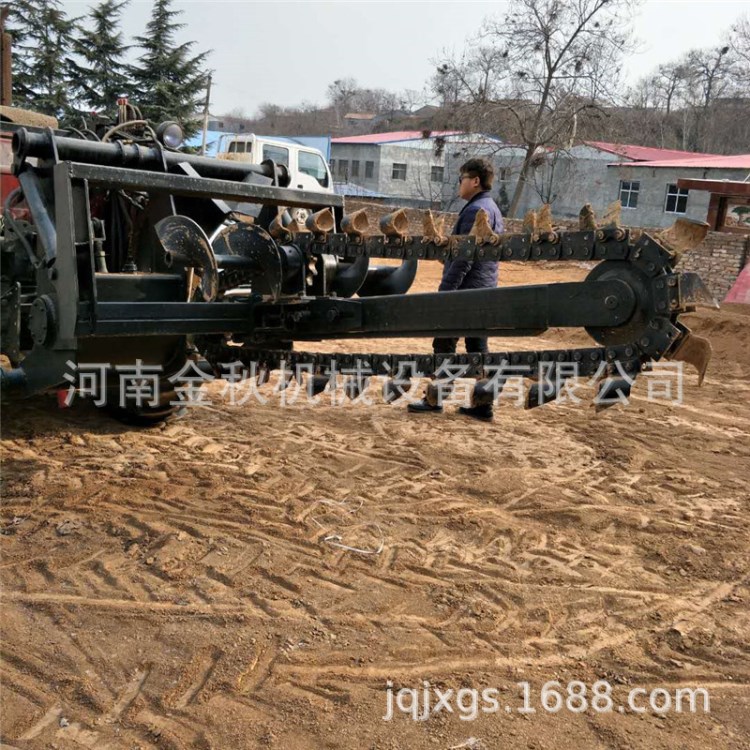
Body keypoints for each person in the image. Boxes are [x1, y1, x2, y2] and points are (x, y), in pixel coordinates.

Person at [408, 157, 503, 421]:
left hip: (465, 290)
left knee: (444, 343)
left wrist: (446, 290)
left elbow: (465, 256)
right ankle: (483, 406)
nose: (459, 184)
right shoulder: (492, 207)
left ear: (475, 181)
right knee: (478, 349)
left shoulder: (476, 210)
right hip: (484, 288)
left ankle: (434, 399)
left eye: (461, 179)